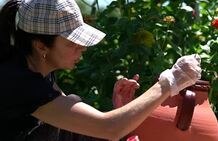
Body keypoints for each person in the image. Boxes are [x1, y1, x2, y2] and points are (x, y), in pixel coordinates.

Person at [0, 0, 201, 141]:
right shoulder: (20, 83)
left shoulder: (34, 68)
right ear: (41, 46)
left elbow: (87, 124)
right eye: (73, 43)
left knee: (72, 102)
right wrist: (170, 81)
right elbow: (109, 128)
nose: (83, 48)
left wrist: (119, 110)